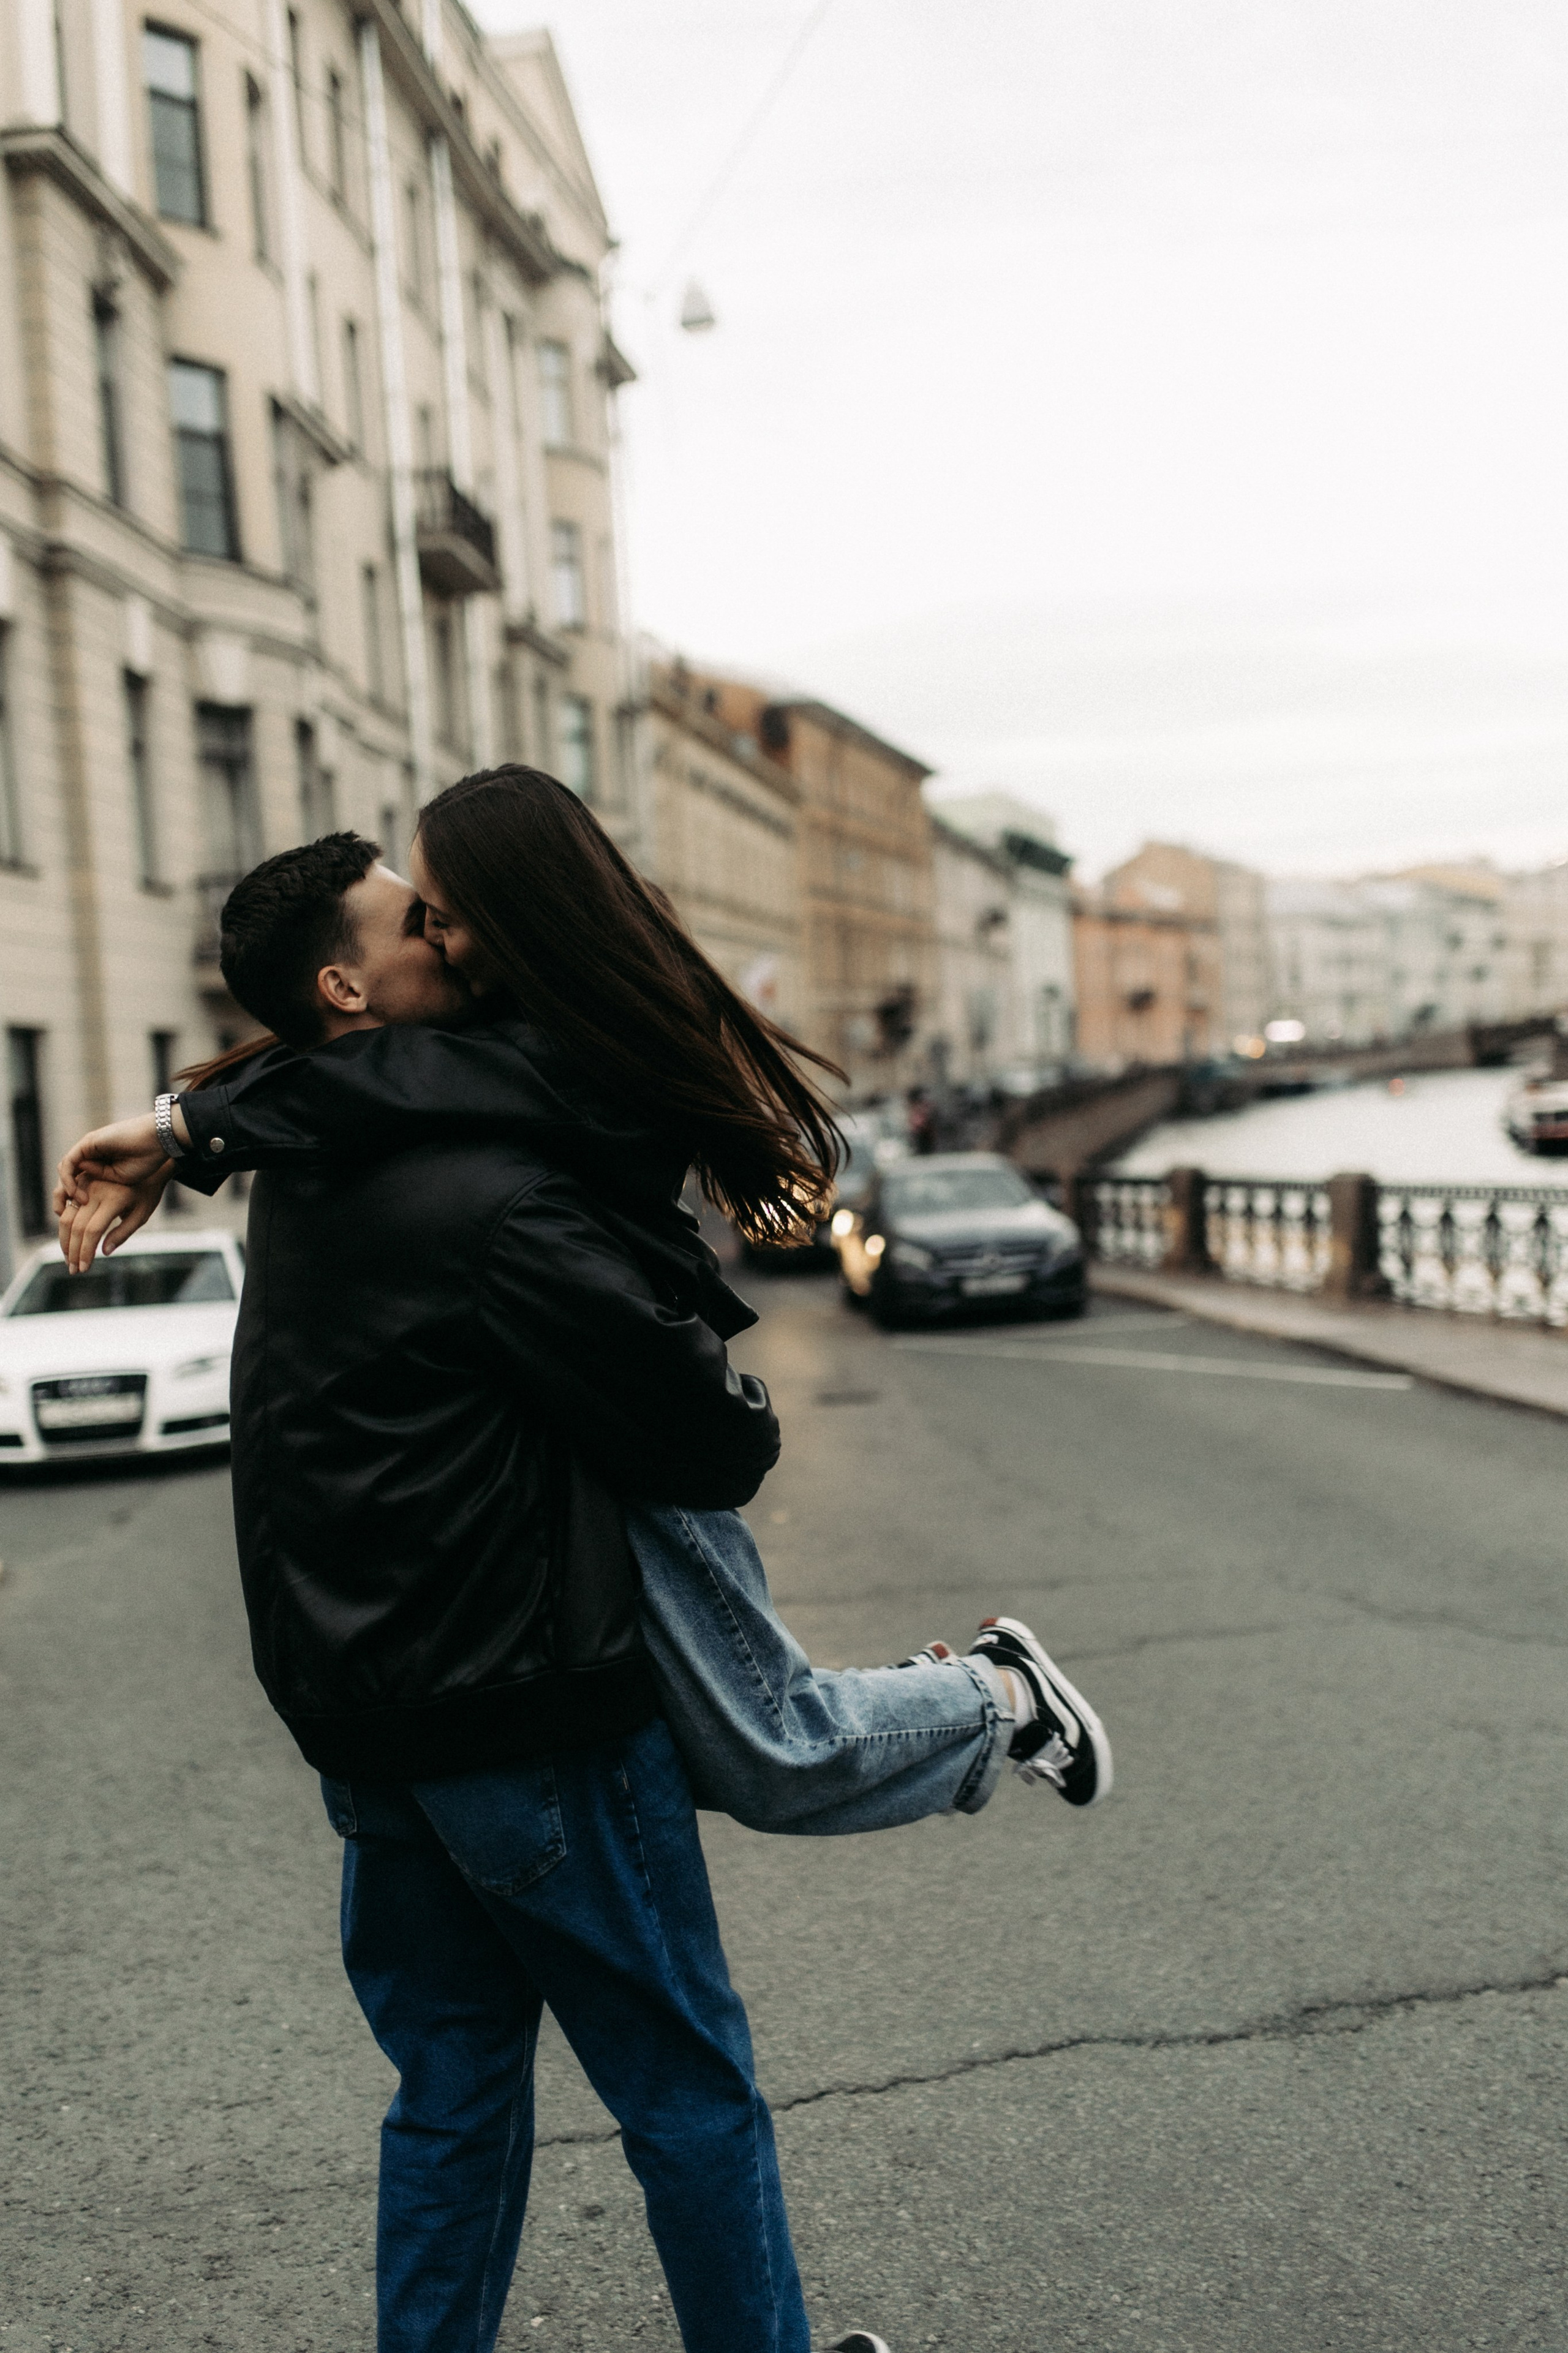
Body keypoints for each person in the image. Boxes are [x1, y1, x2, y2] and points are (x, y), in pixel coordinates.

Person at [56, 785, 1112, 2348]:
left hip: (365, 1710)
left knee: (452, 2102)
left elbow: (411, 1086)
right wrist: (729, 1393)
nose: (444, 930)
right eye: (416, 916)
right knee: (685, 2085)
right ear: (349, 986)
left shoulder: (313, 1160)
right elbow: (704, 1446)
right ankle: (984, 1702)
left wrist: (195, 1120)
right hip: (521, 1705)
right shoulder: (490, 1182)